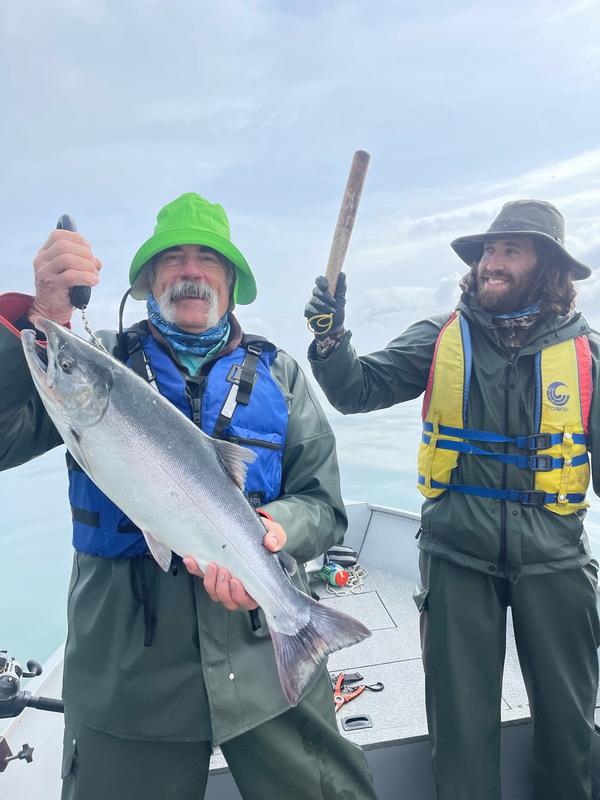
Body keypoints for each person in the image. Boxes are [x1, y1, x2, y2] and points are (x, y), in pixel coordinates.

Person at [0, 192, 377, 800]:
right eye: (172, 259)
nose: (191, 271)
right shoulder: (96, 367)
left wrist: (275, 528)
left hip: (262, 663)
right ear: (149, 281)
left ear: (230, 280)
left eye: (208, 258)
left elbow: (323, 505)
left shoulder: (280, 376)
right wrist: (37, 316)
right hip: (127, 677)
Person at [304, 199, 600, 800]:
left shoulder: (588, 353)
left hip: (556, 561)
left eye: (508, 251)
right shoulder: (440, 337)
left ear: (547, 268)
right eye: (486, 251)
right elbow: (358, 390)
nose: (490, 263)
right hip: (456, 559)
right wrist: (329, 337)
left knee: (571, 731)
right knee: (461, 732)